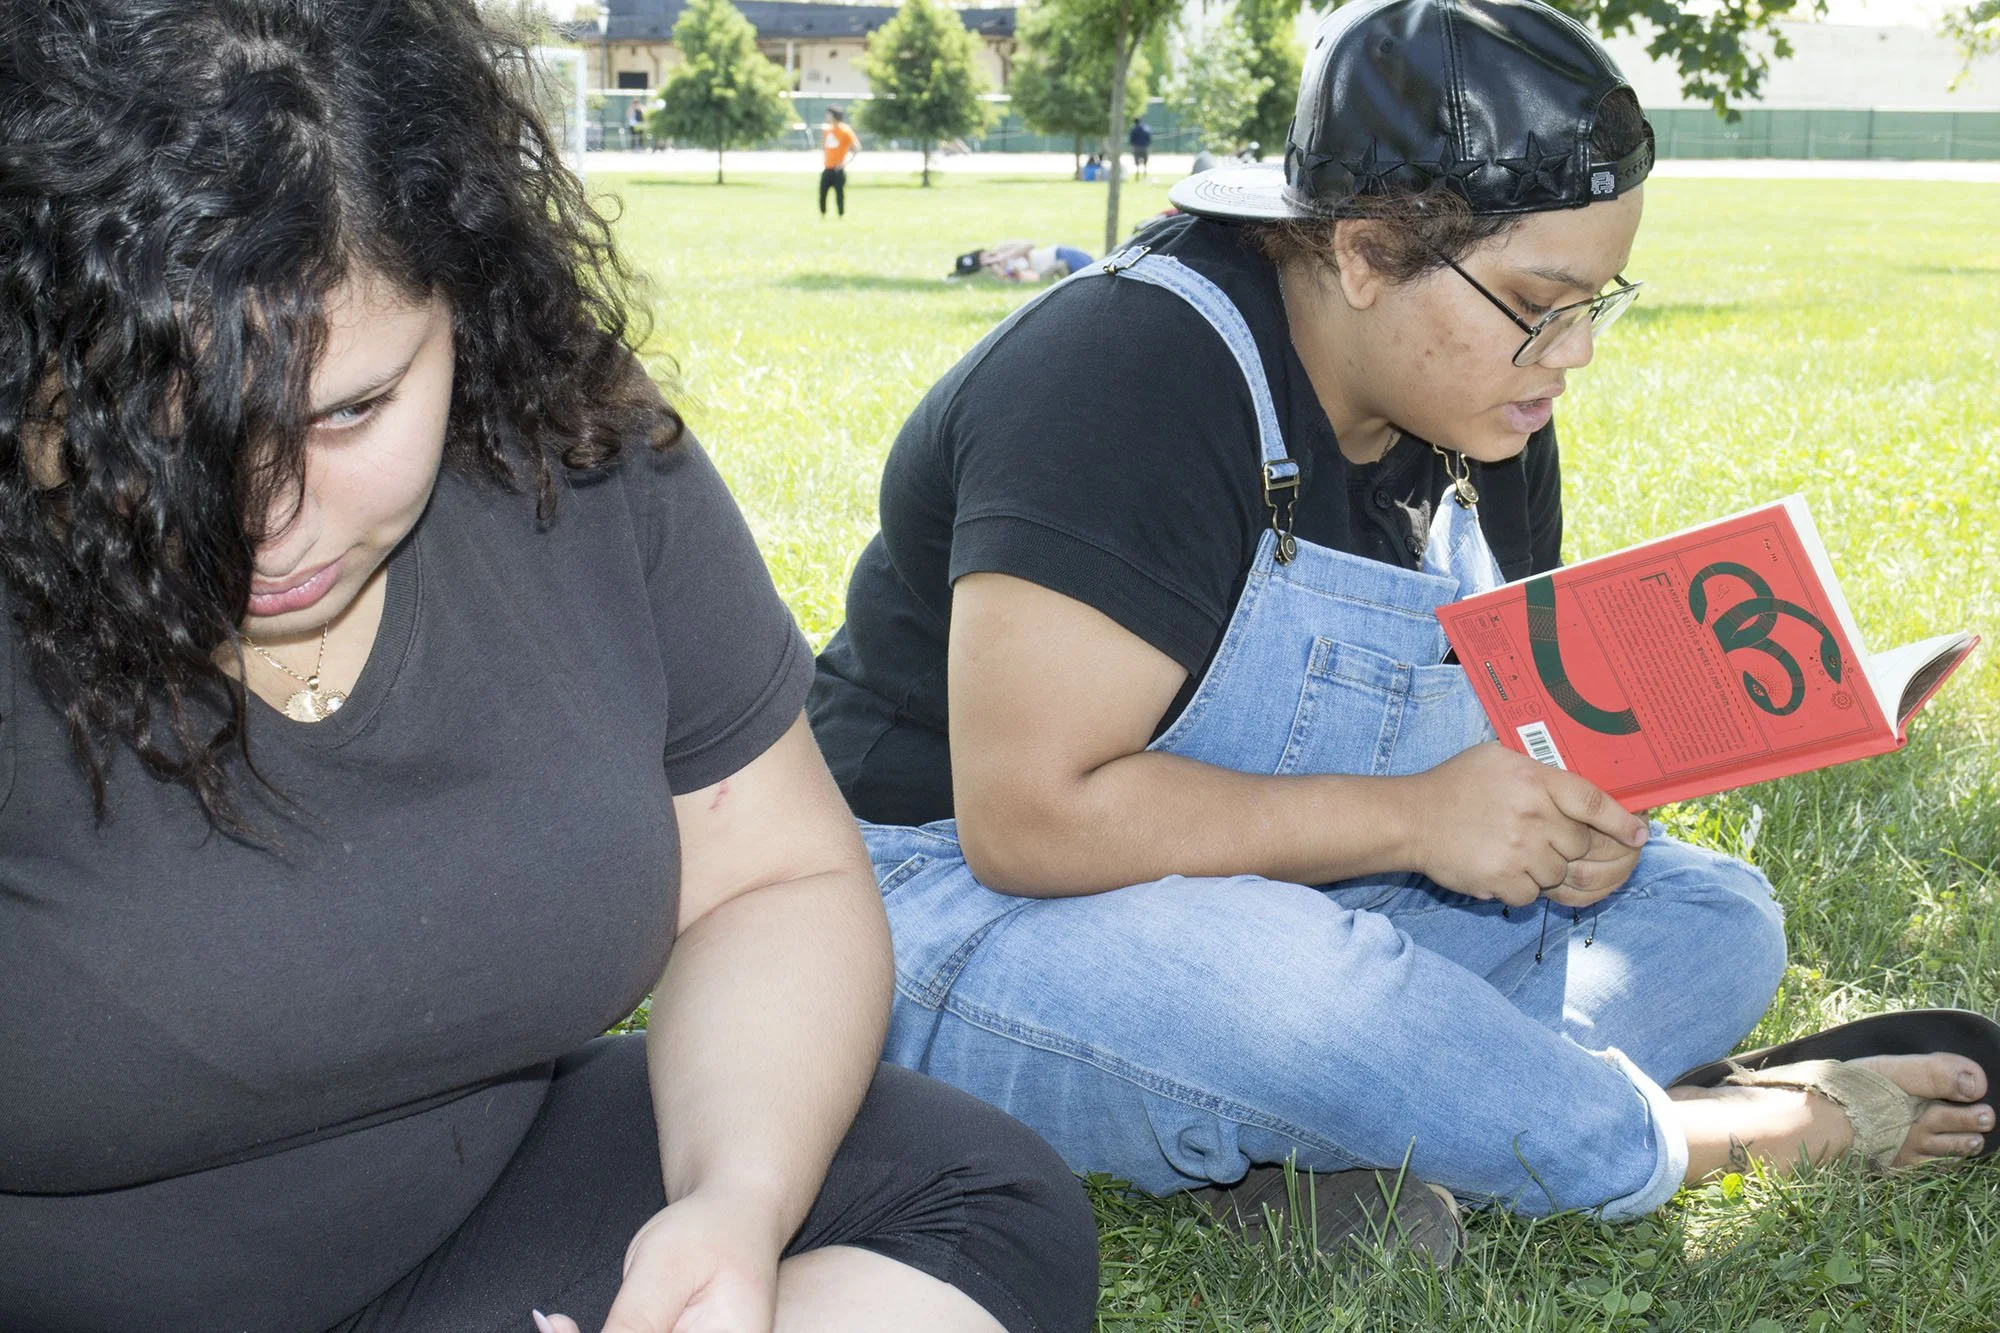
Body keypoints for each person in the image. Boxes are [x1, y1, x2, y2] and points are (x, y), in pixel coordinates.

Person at [808, 0, 1994, 1259]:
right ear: (1365, 253)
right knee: (1297, 992)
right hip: (935, 915)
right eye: (1542, 301)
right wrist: (1416, 821)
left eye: (1598, 298)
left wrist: (1556, 828)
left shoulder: (1486, 409)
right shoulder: (1120, 378)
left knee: (1714, 917)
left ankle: (1347, 1138)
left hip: (1294, 896)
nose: (1575, 351)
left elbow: (1483, 749)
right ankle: (1723, 1130)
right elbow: (1027, 820)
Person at [0, 3, 1100, 1331]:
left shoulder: (567, 444)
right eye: (163, 436)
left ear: (465, 292)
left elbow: (769, 876)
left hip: (478, 1229)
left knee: (974, 1197)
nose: (273, 519)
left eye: (351, 408)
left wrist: (730, 1208)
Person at [950, 241, 1096, 284]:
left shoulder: (1001, 248)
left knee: (1095, 273)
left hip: (1058, 254)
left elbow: (1029, 245)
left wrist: (1003, 257)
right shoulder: (996, 272)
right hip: (1053, 269)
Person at [820, 105, 860, 218]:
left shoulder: (845, 131)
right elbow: (824, 147)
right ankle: (823, 215)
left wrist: (845, 162)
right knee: (822, 194)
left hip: (838, 170)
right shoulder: (827, 130)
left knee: (839, 195)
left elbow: (856, 148)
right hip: (827, 168)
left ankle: (840, 215)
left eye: (828, 114)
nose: (826, 116)